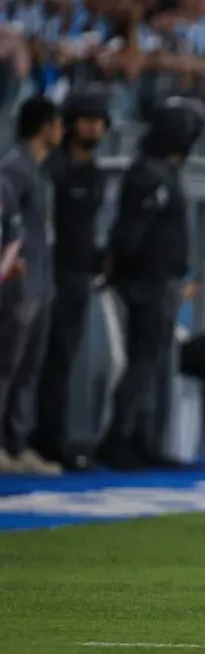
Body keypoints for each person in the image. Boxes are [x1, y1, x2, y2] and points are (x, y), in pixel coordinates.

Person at [97, 97, 205, 471]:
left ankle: (139, 438)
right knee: (143, 362)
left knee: (152, 362)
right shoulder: (150, 174)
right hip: (148, 281)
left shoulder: (160, 170)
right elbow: (130, 234)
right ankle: (119, 438)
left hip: (162, 280)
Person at [32, 88, 110, 469]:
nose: (94, 127)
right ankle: (38, 438)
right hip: (50, 274)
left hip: (78, 275)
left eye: (99, 121)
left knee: (63, 360)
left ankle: (53, 437)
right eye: (86, 120)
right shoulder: (54, 171)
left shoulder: (93, 173)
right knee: (38, 361)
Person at [0, 95, 65, 475]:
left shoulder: (40, 170)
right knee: (6, 363)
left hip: (41, 280)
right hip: (18, 283)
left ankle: (16, 441)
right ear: (45, 126)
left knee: (29, 365)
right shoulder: (14, 169)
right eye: (57, 124)